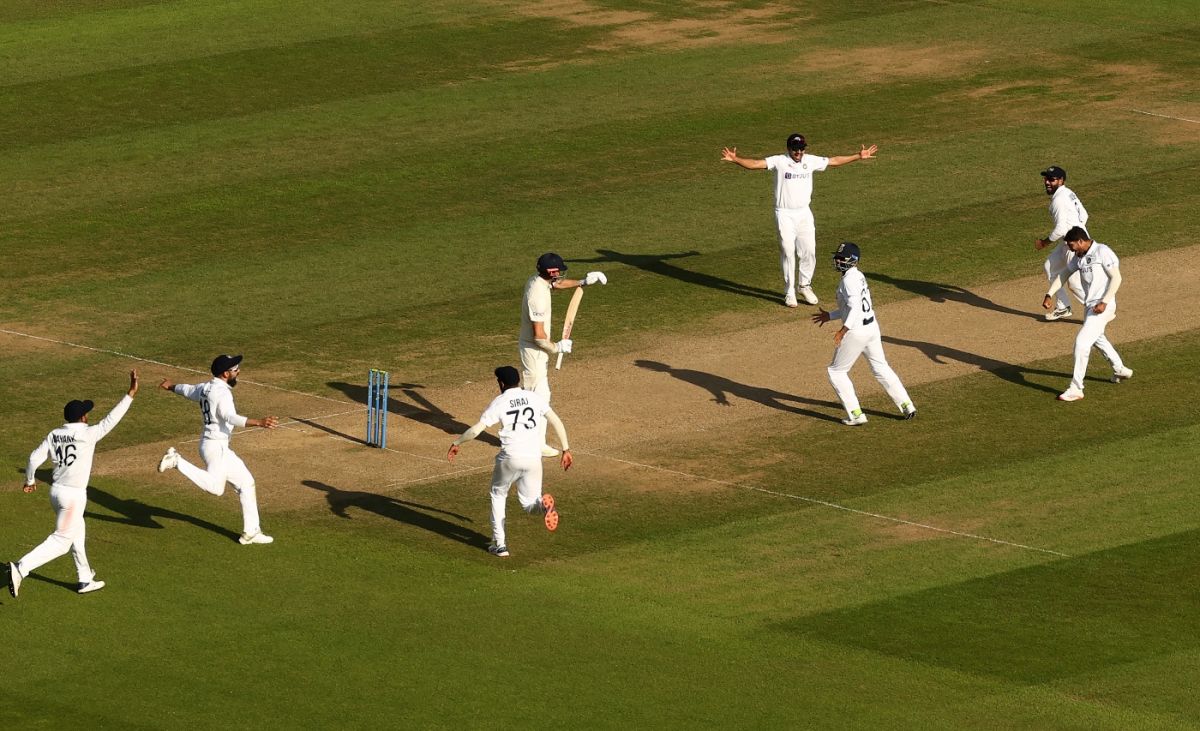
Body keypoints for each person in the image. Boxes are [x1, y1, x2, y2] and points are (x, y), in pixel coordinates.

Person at [6, 370, 138, 599]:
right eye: (86, 413)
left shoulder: (55, 434)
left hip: (56, 494)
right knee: (62, 541)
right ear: (83, 417)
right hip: (73, 497)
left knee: (78, 531)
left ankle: (84, 578)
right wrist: (130, 394)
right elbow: (112, 419)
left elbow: (33, 458)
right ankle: (21, 568)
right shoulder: (88, 434)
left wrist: (29, 480)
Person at [721, 134, 878, 308]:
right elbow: (755, 164)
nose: (799, 152)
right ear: (789, 149)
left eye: (802, 148)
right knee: (788, 252)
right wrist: (736, 159)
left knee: (809, 251)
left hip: (804, 213)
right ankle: (789, 292)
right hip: (784, 214)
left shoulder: (810, 160)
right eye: (795, 149)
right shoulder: (779, 161)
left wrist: (858, 156)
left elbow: (834, 161)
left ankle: (804, 285)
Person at [447, 366, 572, 558]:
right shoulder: (533, 397)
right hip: (534, 458)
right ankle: (543, 505)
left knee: (498, 495)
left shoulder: (500, 402)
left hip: (510, 458)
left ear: (501, 383)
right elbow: (556, 421)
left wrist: (457, 442)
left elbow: (476, 430)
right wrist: (566, 449)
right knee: (530, 505)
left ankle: (500, 544)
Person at [156, 354, 279, 544]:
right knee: (215, 489)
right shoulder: (222, 393)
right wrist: (259, 422)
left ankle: (251, 531)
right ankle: (176, 461)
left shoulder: (206, 387)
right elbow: (230, 417)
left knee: (246, 482)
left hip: (217, 446)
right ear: (225, 373)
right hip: (215, 447)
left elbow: (187, 390)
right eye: (235, 370)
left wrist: (171, 386)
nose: (239, 372)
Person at [812, 242, 917, 425]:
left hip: (856, 331)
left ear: (852, 260)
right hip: (871, 329)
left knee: (836, 372)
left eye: (840, 257)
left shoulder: (848, 280)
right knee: (881, 367)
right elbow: (854, 307)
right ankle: (906, 404)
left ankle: (856, 414)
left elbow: (854, 309)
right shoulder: (858, 276)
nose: (836, 260)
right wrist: (830, 315)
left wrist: (843, 330)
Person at [520, 252, 605, 456]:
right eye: (558, 272)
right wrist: (558, 347)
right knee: (534, 397)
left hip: (539, 349)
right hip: (534, 350)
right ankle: (525, 441)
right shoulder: (537, 296)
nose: (560, 275)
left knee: (541, 396)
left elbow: (557, 285)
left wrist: (583, 282)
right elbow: (539, 337)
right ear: (551, 272)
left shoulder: (539, 280)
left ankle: (536, 442)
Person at [1042, 227, 1132, 401]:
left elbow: (1117, 278)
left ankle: (1076, 388)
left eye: (1071, 244)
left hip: (1102, 306)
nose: (1069, 248)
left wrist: (1105, 301)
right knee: (1097, 339)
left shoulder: (1103, 252)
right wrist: (1049, 294)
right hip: (1090, 306)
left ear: (1081, 241)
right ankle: (1120, 369)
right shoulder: (1079, 257)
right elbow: (1064, 275)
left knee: (1082, 343)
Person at [1035, 165, 1090, 321]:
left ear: (1061, 180)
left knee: (1073, 283)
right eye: (1046, 178)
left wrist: (1044, 243)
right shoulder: (1068, 193)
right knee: (1050, 267)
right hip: (1069, 242)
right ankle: (1063, 307)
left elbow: (1060, 228)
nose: (1047, 182)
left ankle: (1095, 312)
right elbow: (1084, 215)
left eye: (1051, 180)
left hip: (1073, 245)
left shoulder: (1058, 200)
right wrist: (1078, 229)